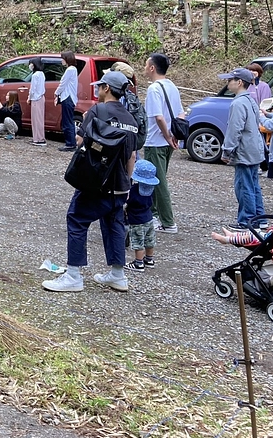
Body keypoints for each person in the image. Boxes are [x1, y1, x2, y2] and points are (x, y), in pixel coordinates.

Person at [42, 71, 138, 293]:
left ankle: (73, 275)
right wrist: (128, 184)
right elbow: (132, 156)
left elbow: (79, 140)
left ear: (106, 89)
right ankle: (117, 275)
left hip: (96, 182)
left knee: (76, 219)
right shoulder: (131, 119)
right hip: (120, 185)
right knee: (114, 224)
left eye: (100, 86)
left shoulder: (98, 110)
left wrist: (85, 123)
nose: (97, 89)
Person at [220, 68, 266, 230]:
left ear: (239, 82)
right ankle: (260, 219)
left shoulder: (238, 102)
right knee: (254, 185)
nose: (227, 83)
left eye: (229, 80)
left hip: (245, 151)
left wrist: (227, 150)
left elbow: (235, 129)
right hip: (255, 149)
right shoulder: (251, 101)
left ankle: (247, 221)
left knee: (244, 186)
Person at [143, 53, 183, 234]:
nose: (144, 69)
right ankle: (153, 214)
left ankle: (168, 222)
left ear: (152, 68)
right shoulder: (172, 86)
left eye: (145, 65)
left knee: (158, 182)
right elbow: (181, 114)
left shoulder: (153, 89)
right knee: (156, 179)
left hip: (156, 141)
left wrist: (166, 135)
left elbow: (158, 117)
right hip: (168, 141)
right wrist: (173, 136)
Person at [123, 159, 159, 272]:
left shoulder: (133, 191)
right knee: (149, 240)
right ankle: (149, 259)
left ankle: (138, 263)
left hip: (136, 220)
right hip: (148, 218)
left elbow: (127, 202)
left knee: (138, 241)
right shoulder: (151, 190)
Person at [54, 51, 78, 151]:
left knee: (67, 121)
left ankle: (70, 143)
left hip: (68, 97)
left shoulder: (70, 70)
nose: (61, 60)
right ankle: (71, 142)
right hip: (69, 98)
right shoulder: (73, 69)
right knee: (69, 120)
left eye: (63, 58)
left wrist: (56, 93)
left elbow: (63, 83)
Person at [27, 57, 47, 146]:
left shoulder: (35, 75)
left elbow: (32, 89)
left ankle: (38, 139)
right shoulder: (42, 74)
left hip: (36, 99)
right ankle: (39, 138)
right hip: (41, 97)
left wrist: (29, 98)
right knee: (40, 119)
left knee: (36, 120)